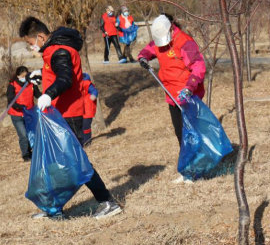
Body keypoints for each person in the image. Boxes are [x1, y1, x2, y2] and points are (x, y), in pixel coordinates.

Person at [19, 17, 122, 220]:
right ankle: (53, 208)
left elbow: (65, 78)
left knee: (76, 162)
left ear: (40, 37)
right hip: (59, 113)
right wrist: (40, 74)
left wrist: (48, 94)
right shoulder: (54, 51)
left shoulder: (60, 51)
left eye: (31, 43)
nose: (32, 47)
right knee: (56, 162)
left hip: (69, 114)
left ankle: (107, 202)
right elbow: (59, 73)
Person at [137, 14, 206, 184]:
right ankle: (187, 169)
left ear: (171, 28)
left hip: (188, 94)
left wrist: (189, 87)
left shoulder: (185, 42)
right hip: (171, 94)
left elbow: (199, 66)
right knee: (180, 132)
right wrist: (143, 57)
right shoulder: (159, 40)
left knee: (191, 133)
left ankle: (198, 169)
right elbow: (149, 49)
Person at [6, 66, 41, 161]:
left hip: (29, 113)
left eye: (26, 76)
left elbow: (37, 94)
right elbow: (11, 100)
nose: (24, 77)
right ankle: (25, 155)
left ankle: (32, 152)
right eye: (22, 76)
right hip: (17, 114)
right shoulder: (12, 85)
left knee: (31, 133)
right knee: (23, 135)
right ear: (17, 76)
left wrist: (45, 96)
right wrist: (20, 106)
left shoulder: (31, 84)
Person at [80, 73, 98, 146]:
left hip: (88, 109)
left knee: (86, 126)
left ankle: (87, 141)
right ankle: (81, 141)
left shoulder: (86, 83)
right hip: (79, 110)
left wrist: (94, 95)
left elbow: (94, 91)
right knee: (80, 126)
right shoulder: (75, 84)